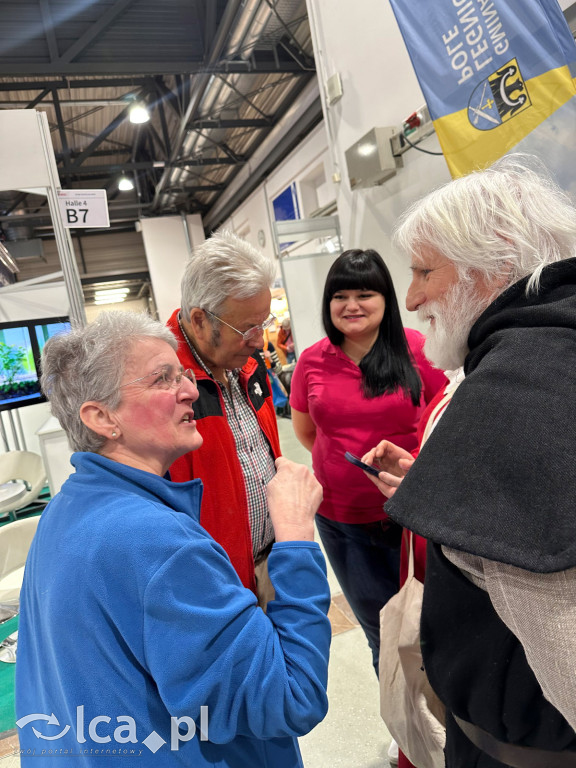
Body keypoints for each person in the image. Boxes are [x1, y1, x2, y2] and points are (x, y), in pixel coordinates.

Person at [15, 311, 331, 767]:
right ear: (102, 417)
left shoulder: (65, 511)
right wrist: (297, 537)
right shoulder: (155, 542)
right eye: (163, 379)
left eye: (183, 373)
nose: (189, 389)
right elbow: (290, 697)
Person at [365, 155, 576, 768]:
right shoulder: (552, 351)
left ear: (499, 259)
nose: (411, 296)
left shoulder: (518, 391)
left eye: (426, 271)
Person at [289, 249, 446, 673]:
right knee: (383, 635)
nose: (351, 305)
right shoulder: (311, 361)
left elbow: (445, 418)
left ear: (385, 299)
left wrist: (415, 462)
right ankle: (405, 736)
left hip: (415, 514)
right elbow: (306, 432)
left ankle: (443, 726)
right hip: (344, 523)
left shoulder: (417, 349)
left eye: (364, 294)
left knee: (433, 624)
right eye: (340, 296)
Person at [166, 231, 281, 603]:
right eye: (247, 328)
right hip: (215, 586)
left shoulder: (247, 362)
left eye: (263, 323)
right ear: (199, 320)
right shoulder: (163, 384)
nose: (260, 339)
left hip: (271, 561)